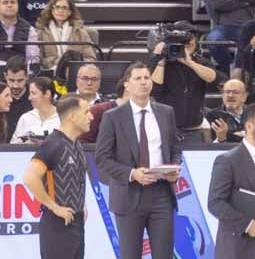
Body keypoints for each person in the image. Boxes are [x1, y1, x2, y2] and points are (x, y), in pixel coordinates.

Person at [94, 62, 181, 259]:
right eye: (138, 78)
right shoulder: (112, 117)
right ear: (127, 84)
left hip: (161, 194)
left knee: (164, 254)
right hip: (128, 194)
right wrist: (132, 174)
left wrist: (174, 167)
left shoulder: (166, 112)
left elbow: (175, 148)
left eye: (146, 78)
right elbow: (102, 158)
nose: (143, 82)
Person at [23, 95, 91, 259]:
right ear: (72, 117)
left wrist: (82, 203)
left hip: (75, 221)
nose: (91, 116)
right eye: (87, 112)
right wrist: (54, 207)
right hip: (57, 224)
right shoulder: (54, 144)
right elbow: (29, 177)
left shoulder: (76, 144)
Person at [208, 102, 255, 259]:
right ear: (250, 126)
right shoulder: (227, 161)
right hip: (238, 248)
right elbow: (215, 203)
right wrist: (247, 224)